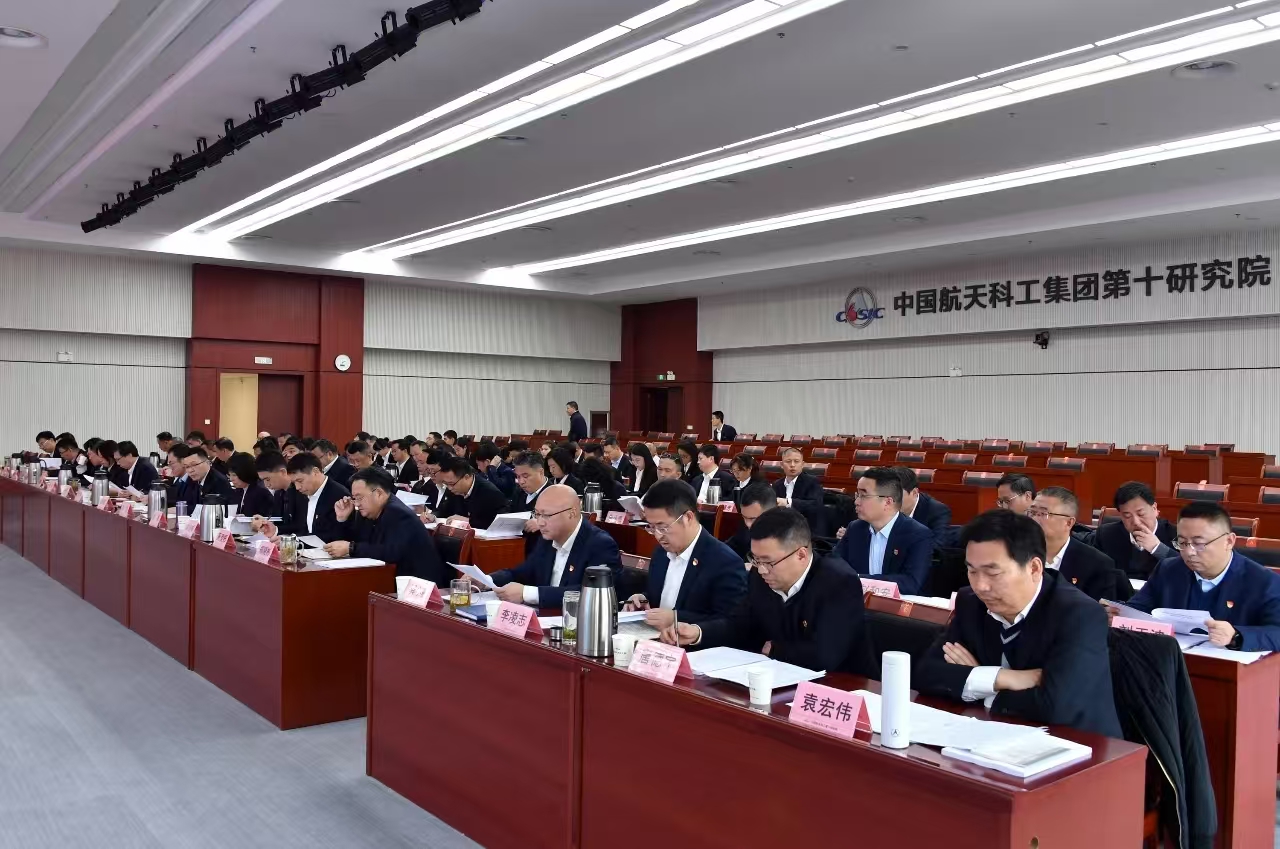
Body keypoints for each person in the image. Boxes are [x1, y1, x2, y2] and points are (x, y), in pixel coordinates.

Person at [914, 510, 1122, 737]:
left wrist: (979, 683)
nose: (980, 586)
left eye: (993, 573)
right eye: (972, 571)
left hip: (1078, 744)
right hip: (994, 733)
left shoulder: (1079, 614)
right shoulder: (971, 602)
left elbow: (1056, 706)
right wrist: (1002, 678)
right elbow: (926, 674)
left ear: (1034, 568)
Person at [662, 507, 873, 675]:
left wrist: (774, 649)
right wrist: (699, 632)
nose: (761, 569)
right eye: (755, 559)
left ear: (801, 555)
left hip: (841, 687)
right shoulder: (760, 575)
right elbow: (741, 624)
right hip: (778, 675)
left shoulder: (838, 582)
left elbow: (824, 655)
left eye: (768, 562)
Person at [1123, 502, 1280, 651]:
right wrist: (1117, 612)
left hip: (1229, 666)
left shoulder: (1264, 582)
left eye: (1199, 544)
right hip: (1173, 660)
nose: (1189, 552)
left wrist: (1236, 635)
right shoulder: (1169, 569)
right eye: (1182, 543)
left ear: (1229, 541)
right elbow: (1137, 609)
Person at [623, 479, 747, 625]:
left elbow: (731, 624)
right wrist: (643, 599)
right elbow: (661, 599)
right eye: (651, 527)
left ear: (688, 517)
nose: (657, 535)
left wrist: (676, 618)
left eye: (662, 527)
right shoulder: (661, 553)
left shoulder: (724, 562)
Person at [488, 485, 623, 607]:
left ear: (572, 513)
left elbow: (593, 593)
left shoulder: (600, 544)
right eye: (537, 514)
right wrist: (487, 580)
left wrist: (528, 593)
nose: (540, 523)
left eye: (546, 515)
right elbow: (523, 572)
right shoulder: (547, 538)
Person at [327, 467, 448, 583]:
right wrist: (342, 519)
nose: (357, 504)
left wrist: (351, 548)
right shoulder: (369, 512)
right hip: (387, 578)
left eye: (359, 498)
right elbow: (351, 542)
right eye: (354, 498)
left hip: (418, 585)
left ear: (378, 493)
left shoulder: (398, 513)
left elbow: (391, 552)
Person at [832, 467, 934, 595]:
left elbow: (910, 583)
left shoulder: (918, 535)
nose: (856, 502)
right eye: (857, 495)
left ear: (887, 502)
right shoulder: (855, 528)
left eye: (864, 496)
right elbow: (834, 564)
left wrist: (857, 579)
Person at [1026, 487, 1119, 601]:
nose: (1034, 519)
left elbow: (1098, 610)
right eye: (1032, 512)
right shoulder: (1013, 552)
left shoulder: (1097, 564)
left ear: (1069, 522)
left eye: (1043, 514)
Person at [1092, 481, 1177, 580]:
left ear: (1154, 509)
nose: (1136, 522)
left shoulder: (1177, 535)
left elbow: (1187, 571)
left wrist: (1157, 548)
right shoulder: (1106, 535)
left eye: (1141, 514)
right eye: (1127, 516)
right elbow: (1094, 570)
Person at [256, 453, 349, 541]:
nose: (297, 487)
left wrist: (293, 541)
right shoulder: (307, 493)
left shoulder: (338, 495)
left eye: (300, 481)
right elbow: (305, 530)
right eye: (294, 483)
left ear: (315, 472)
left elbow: (330, 536)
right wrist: (281, 534)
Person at [437, 455, 510, 530]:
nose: (449, 488)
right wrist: (433, 516)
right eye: (446, 483)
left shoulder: (490, 492)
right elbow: (444, 510)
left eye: (451, 484)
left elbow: (498, 523)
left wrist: (469, 521)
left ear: (466, 477)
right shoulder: (453, 489)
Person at [894, 466, 953, 549]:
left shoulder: (937, 511)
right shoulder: (881, 504)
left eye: (896, 496)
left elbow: (937, 546)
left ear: (914, 492)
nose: (890, 501)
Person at [771, 447, 823, 523]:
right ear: (782, 465)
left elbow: (815, 505)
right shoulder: (777, 484)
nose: (792, 465)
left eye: (796, 461)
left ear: (802, 464)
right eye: (788, 461)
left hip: (804, 524)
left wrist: (788, 502)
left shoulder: (812, 481)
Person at [729, 481, 777, 559]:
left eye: (753, 519)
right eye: (744, 517)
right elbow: (729, 547)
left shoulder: (787, 537)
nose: (748, 524)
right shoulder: (744, 530)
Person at [228, 452, 275, 517]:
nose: (231, 479)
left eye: (234, 475)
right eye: (229, 475)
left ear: (245, 472)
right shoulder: (238, 490)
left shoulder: (261, 492)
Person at [254, 452, 293, 516]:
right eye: (263, 480)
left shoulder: (301, 492)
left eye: (268, 479)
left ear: (282, 472)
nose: (266, 485)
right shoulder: (278, 494)